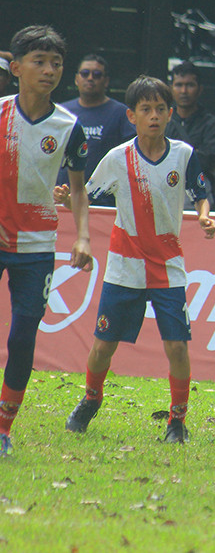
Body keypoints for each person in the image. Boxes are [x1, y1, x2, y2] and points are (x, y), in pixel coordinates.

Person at [61, 76, 215, 443]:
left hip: (168, 267)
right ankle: (90, 399)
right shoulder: (118, 158)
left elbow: (201, 192)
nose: (154, 116)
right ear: (131, 115)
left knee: (177, 346)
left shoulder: (184, 154)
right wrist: (68, 198)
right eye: (145, 109)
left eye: (160, 109)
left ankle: (177, 421)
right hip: (124, 266)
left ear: (170, 113)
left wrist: (205, 215)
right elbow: (87, 195)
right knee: (103, 346)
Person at [0, 25, 92, 457]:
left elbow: (77, 188)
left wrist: (84, 237)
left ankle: (3, 429)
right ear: (16, 67)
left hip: (36, 247)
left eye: (56, 63)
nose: (50, 70)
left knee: (22, 339)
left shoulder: (70, 127)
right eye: (39, 61)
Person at [56, 54, 135, 205]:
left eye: (97, 74)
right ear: (76, 79)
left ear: (106, 81)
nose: (90, 78)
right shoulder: (61, 112)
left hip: (105, 204)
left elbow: (132, 158)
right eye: (85, 73)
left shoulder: (121, 114)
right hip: (63, 201)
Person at [164, 61, 215, 205]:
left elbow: (204, 163)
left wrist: (168, 154)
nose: (184, 91)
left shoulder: (213, 125)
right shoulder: (161, 122)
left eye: (190, 85)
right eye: (179, 85)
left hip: (197, 196)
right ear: (171, 88)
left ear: (199, 89)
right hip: (163, 192)